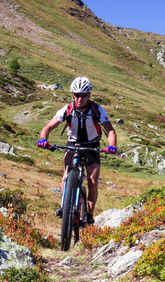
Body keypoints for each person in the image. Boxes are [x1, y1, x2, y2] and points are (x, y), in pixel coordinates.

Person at [37, 76, 117, 223]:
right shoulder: (67, 109)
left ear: (89, 95)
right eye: (76, 95)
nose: (80, 98)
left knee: (92, 180)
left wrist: (112, 146)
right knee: (67, 173)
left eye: (83, 95)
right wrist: (43, 139)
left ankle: (90, 215)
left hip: (92, 146)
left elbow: (110, 130)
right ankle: (64, 205)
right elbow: (47, 127)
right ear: (73, 95)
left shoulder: (97, 109)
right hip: (73, 144)